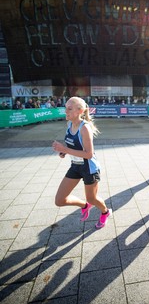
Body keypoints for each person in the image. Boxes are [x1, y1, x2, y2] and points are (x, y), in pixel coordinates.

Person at [52, 96, 112, 229]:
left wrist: (65, 149)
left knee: (92, 198)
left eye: (69, 108)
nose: (65, 111)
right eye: (65, 108)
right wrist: (64, 152)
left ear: (80, 111)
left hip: (89, 168)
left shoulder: (84, 128)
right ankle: (84, 206)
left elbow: (89, 154)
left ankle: (105, 212)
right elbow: (73, 146)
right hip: (75, 166)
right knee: (60, 200)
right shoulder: (69, 125)